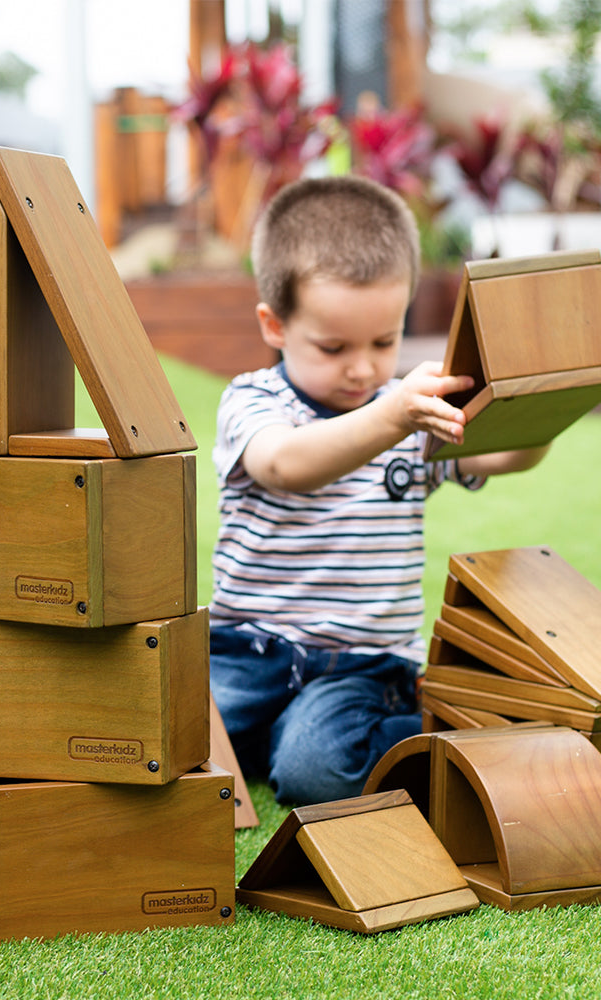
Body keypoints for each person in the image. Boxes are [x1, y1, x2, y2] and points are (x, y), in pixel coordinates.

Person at [209, 175, 548, 805]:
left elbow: (509, 452)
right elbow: (285, 464)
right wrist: (392, 416)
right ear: (275, 325)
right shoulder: (255, 401)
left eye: (384, 342)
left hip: (362, 667)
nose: (364, 368)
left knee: (316, 772)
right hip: (246, 656)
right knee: (151, 741)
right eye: (334, 347)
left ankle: (455, 729)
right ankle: (275, 735)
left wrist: (546, 398)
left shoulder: (408, 412)